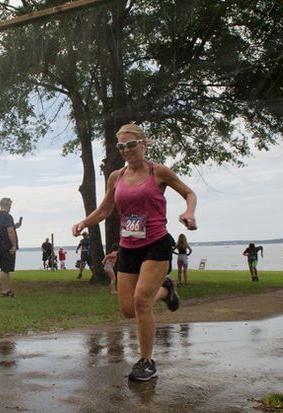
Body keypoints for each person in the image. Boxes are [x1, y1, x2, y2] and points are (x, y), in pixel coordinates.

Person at [72, 123, 197, 382]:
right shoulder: (116, 177)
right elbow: (105, 210)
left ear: (144, 144)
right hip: (128, 247)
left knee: (141, 302)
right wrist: (84, 222)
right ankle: (166, 290)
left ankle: (146, 361)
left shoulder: (158, 172)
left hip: (156, 243)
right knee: (129, 309)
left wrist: (189, 212)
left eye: (131, 144)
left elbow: (189, 193)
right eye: (121, 146)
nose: (126, 150)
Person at [0, 198, 19, 297]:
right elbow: (10, 231)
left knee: (4, 268)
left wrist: (14, 227)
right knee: (5, 269)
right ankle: (5, 290)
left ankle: (7, 288)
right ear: (6, 205)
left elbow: (1, 229)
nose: (10, 208)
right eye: (10, 206)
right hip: (7, 245)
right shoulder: (7, 216)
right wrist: (14, 245)